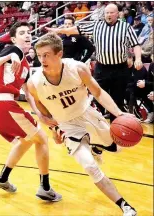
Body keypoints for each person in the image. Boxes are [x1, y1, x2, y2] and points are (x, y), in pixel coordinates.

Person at [27, 32, 137, 216]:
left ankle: (96, 146)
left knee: (118, 149)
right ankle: (125, 206)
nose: (42, 59)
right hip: (67, 125)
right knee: (90, 167)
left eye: (46, 55)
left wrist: (118, 114)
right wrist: (54, 129)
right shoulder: (35, 82)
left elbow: (98, 92)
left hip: (87, 114)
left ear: (59, 54)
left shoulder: (77, 69)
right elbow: (42, 109)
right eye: (39, 55)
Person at [0, 22, 62, 202]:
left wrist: (40, 115)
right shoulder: (14, 50)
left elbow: (28, 95)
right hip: (2, 103)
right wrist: (9, 54)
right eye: (22, 32)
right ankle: (45, 187)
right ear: (13, 38)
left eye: (29, 32)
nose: (27, 35)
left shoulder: (26, 62)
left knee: (26, 141)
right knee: (41, 139)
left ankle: (2, 179)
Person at [46, 3, 143, 123]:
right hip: (102, 68)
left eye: (112, 12)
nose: (109, 15)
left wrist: (138, 59)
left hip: (120, 69)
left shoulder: (126, 27)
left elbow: (136, 44)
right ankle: (99, 124)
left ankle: (115, 130)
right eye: (107, 12)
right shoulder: (97, 25)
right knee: (97, 97)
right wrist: (59, 30)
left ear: (117, 14)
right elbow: (76, 29)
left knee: (117, 100)